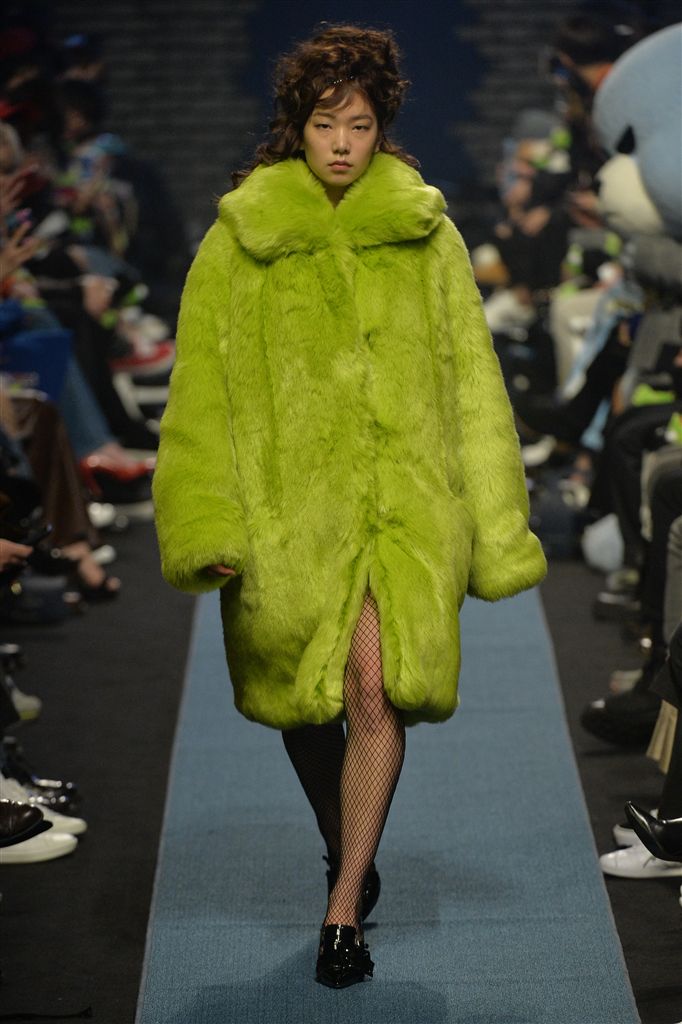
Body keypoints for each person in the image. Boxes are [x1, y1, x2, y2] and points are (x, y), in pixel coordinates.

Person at [152, 24, 546, 989]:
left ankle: (341, 911)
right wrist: (205, 522)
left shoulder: (426, 232)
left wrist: (495, 524)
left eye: (360, 125)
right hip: (284, 519)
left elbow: (473, 386)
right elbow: (199, 396)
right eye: (327, 123)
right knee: (307, 704)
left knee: (373, 691)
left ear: (382, 129)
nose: (341, 143)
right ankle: (347, 848)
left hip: (403, 512)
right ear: (297, 125)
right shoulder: (241, 239)